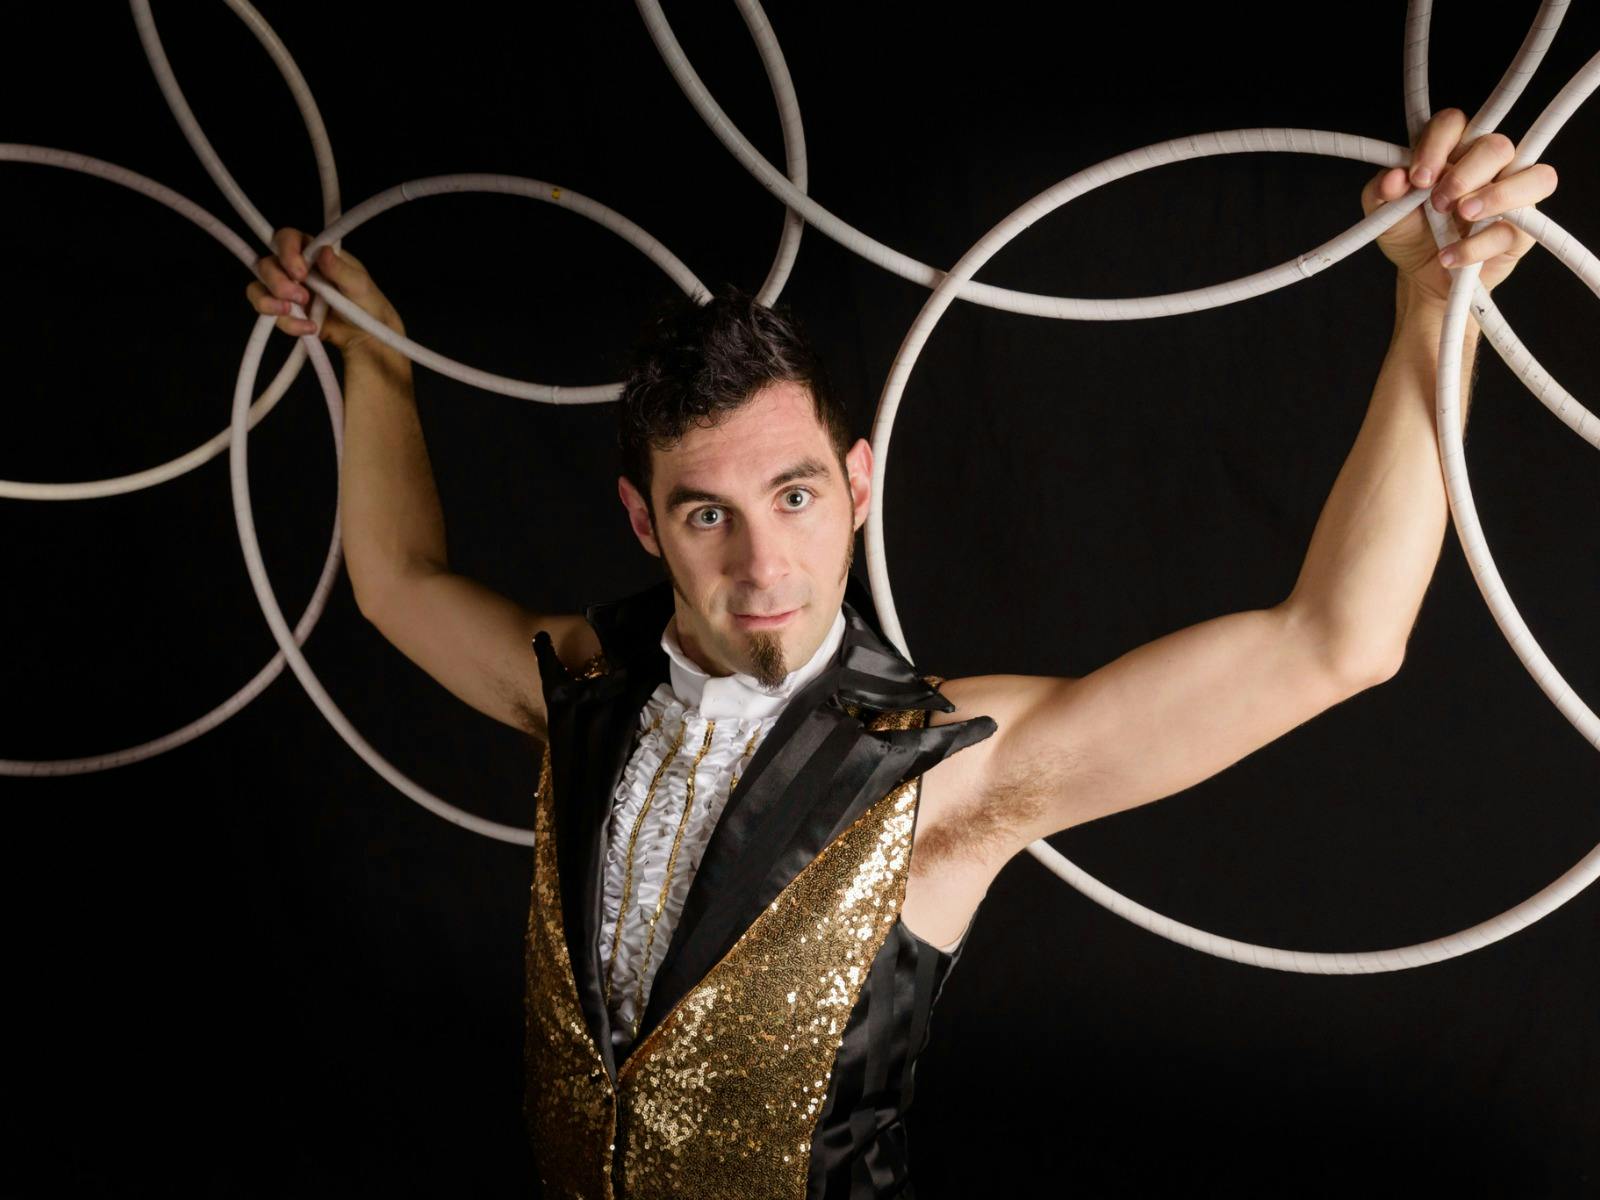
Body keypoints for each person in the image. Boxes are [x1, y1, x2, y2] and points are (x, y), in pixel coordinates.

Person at [246, 108, 1556, 1198]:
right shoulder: (584, 677)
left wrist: (1430, 313)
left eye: (798, 496)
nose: (765, 565)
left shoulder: (947, 767)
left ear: (859, 485)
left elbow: (1336, 641)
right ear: (645, 519)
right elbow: (396, 583)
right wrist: (380, 368)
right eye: (711, 514)